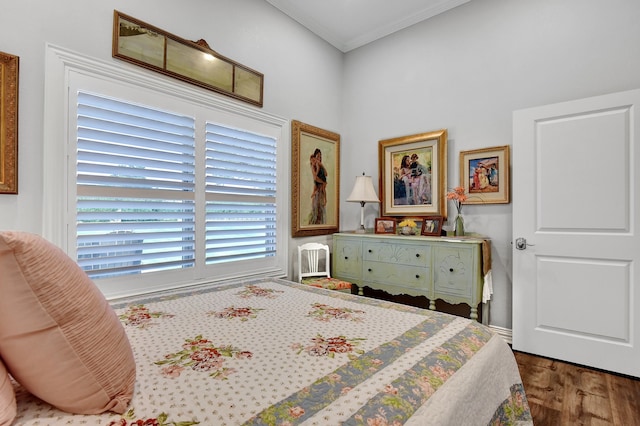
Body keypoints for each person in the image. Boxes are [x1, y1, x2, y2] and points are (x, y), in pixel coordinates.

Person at [309, 148, 327, 224]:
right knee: (317, 211)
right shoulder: (313, 166)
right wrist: (323, 182)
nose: (319, 158)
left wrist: (320, 165)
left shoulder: (319, 165)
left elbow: (326, 174)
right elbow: (315, 178)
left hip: (321, 190)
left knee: (321, 210)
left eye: (320, 156)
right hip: (318, 191)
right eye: (318, 156)